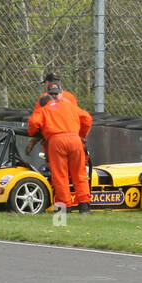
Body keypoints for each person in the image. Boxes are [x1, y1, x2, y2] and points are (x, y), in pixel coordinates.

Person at [26, 73, 92, 212]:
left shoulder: (44, 106)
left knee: (60, 175)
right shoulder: (70, 103)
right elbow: (87, 118)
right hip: (75, 139)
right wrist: (81, 135)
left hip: (56, 141)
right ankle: (84, 206)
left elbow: (33, 123)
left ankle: (64, 207)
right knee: (79, 173)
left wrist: (33, 134)